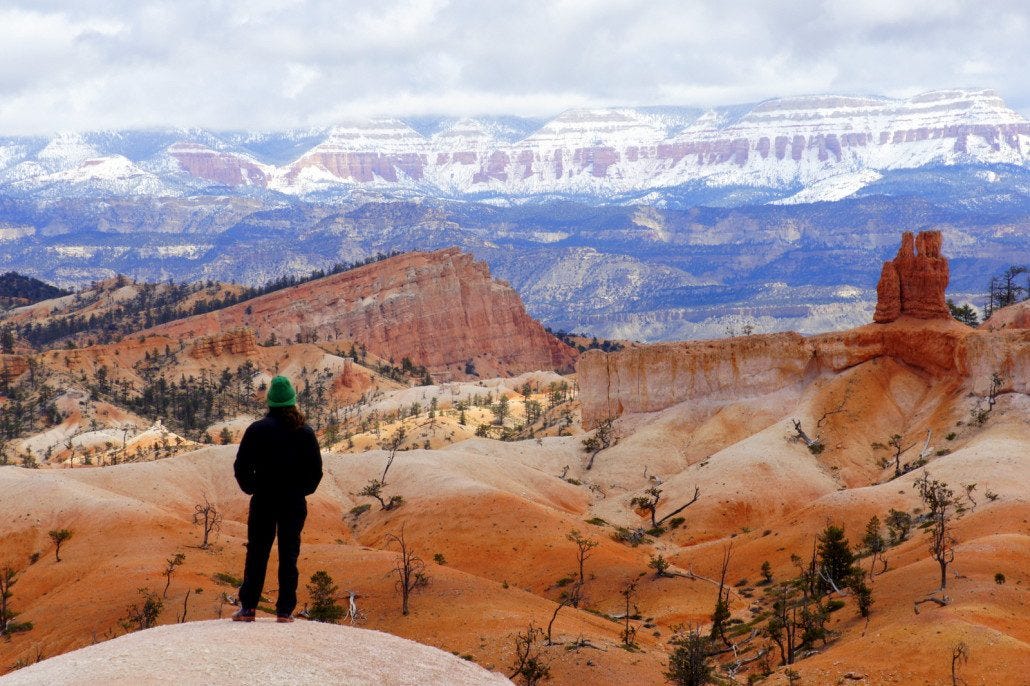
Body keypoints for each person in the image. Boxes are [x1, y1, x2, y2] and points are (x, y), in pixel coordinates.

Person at [232, 375, 322, 623]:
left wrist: (252, 488)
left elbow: (241, 467)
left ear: (270, 402)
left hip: (264, 500)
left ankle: (248, 607)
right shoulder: (304, 432)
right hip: (293, 502)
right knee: (289, 553)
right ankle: (284, 611)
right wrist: (300, 490)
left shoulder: (257, 430)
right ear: (292, 402)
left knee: (257, 552)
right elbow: (316, 472)